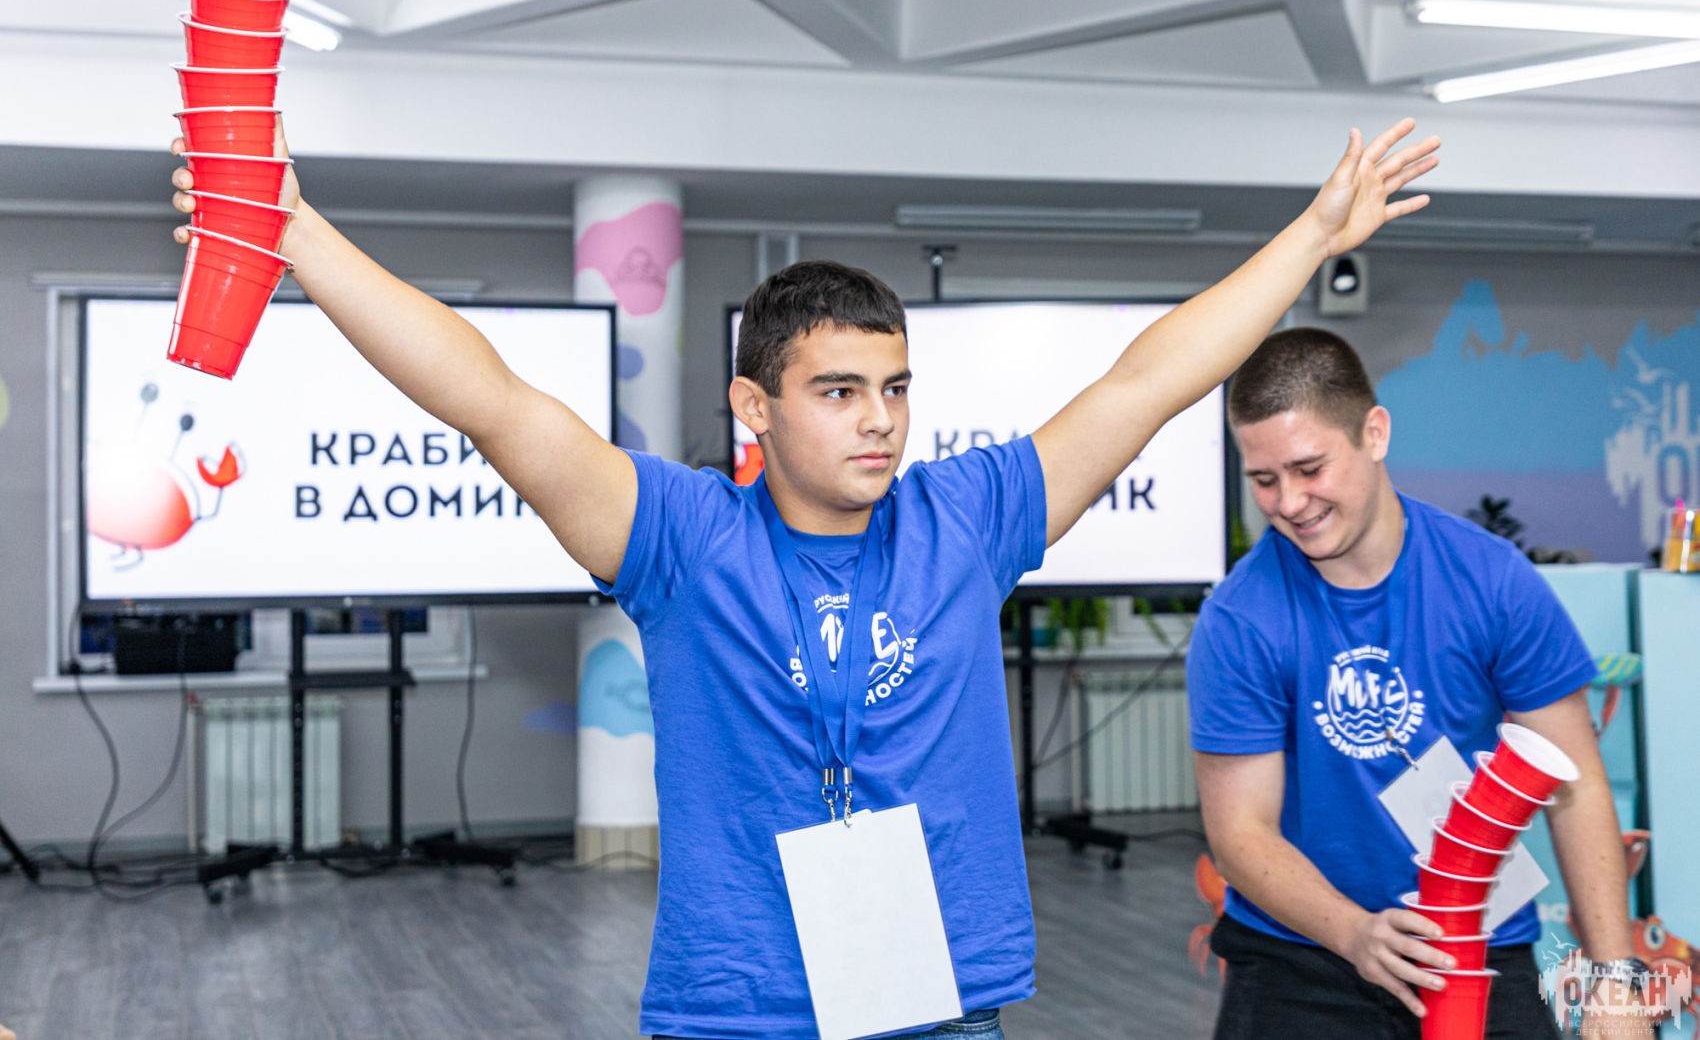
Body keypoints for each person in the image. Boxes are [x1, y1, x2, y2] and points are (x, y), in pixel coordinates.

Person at [171, 120, 1438, 1039]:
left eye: (893, 388)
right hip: (738, 1007)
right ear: (753, 405)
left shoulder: (966, 518)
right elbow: (491, 401)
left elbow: (1146, 379)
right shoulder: (679, 538)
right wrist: (299, 236)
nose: (877, 419)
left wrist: (1310, 235)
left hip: (939, 1000)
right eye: (837, 391)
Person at [1187, 327, 1652, 1040]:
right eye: (1264, 479)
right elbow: (1240, 834)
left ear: (1374, 433)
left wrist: (1614, 984)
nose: (1290, 501)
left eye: (1309, 468)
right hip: (1301, 958)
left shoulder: (1491, 580)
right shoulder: (1239, 618)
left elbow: (1576, 784)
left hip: (1480, 947)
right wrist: (1354, 932)